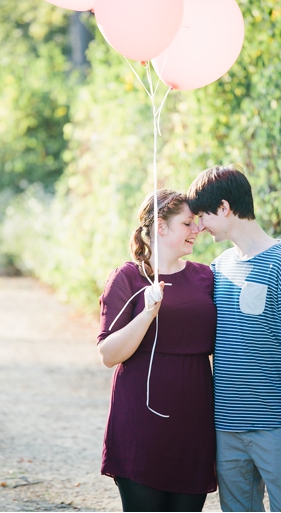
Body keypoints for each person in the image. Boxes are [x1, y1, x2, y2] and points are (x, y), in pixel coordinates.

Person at [187, 166, 281, 512]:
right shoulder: (219, 267)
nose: (199, 226)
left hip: (276, 428)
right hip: (226, 430)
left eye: (202, 216)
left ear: (225, 208)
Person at [97, 189, 217, 512]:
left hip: (193, 421)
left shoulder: (207, 277)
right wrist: (148, 314)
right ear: (160, 227)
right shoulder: (128, 278)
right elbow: (108, 354)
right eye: (188, 223)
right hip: (140, 423)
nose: (198, 230)